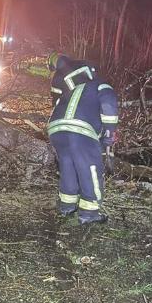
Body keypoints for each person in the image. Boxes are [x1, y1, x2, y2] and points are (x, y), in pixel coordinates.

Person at [46, 52, 118, 224]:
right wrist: (109, 133)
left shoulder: (70, 90)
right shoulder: (101, 85)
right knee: (90, 168)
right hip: (80, 129)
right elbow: (108, 104)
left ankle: (67, 205)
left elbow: (56, 104)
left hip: (56, 128)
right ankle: (89, 212)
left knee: (68, 165)